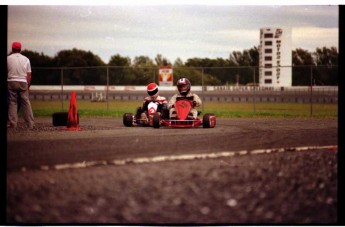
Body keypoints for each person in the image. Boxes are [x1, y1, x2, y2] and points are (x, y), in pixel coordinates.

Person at [7, 41, 35, 129]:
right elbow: (29, 74)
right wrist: (28, 86)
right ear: (20, 49)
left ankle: (13, 123)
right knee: (26, 102)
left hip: (11, 81)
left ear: (12, 49)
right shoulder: (26, 59)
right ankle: (30, 124)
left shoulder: (8, 58)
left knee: (13, 102)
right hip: (23, 81)